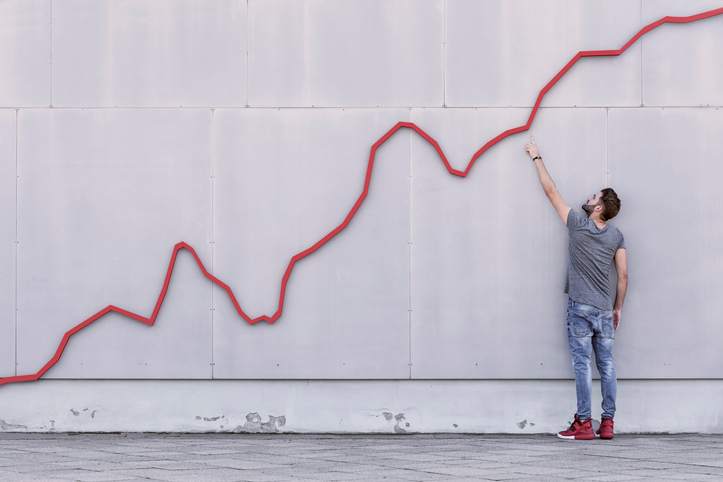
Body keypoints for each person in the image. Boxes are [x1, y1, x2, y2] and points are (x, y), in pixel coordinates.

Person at [524, 138, 628, 441]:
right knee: (607, 365)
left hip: (580, 307)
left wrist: (536, 156)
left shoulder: (578, 224)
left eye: (593, 196)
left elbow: (550, 191)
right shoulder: (616, 236)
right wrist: (617, 307)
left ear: (598, 207)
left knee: (583, 365)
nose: (588, 196)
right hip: (604, 310)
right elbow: (623, 276)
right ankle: (607, 423)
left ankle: (583, 423)